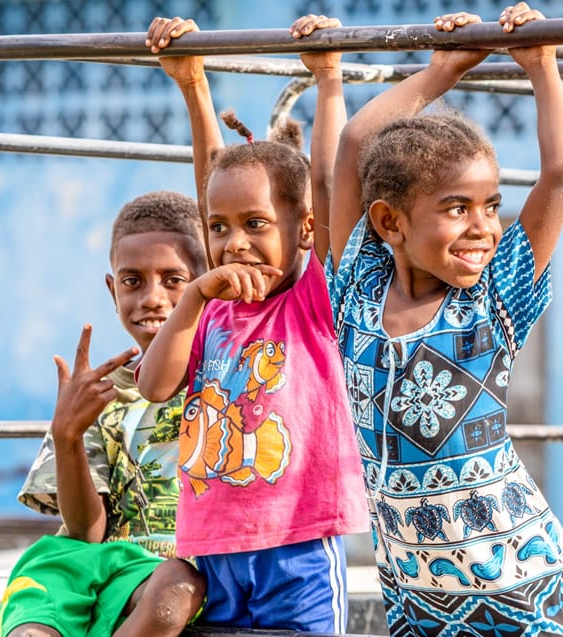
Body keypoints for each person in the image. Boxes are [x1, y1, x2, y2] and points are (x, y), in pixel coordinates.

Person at [325, 4, 563, 636]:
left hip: (524, 587)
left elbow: (562, 171)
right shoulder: (356, 291)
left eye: (491, 205)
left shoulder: (493, 300)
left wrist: (541, 62)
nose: (484, 228)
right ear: (389, 223)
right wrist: (439, 73)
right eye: (457, 208)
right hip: (413, 595)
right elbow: (357, 144)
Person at [137, 14, 369, 633]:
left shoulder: (314, 299)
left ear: (306, 231)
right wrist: (193, 84)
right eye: (219, 228)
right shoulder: (207, 309)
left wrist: (328, 79)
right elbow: (153, 386)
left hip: (296, 548)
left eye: (257, 225)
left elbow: (327, 181)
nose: (235, 243)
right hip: (211, 548)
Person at [0, 191, 208, 637]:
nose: (153, 297)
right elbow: (87, 532)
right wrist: (68, 436)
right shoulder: (100, 395)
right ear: (112, 290)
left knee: (172, 591)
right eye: (133, 281)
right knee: (34, 616)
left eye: (174, 280)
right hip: (93, 565)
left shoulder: (227, 383)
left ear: (207, 280)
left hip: (171, 570)